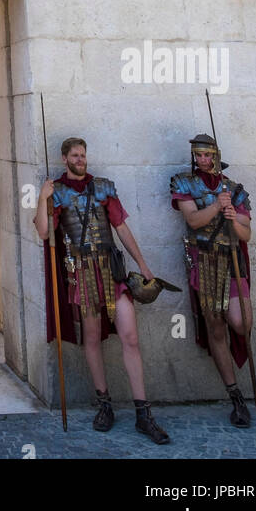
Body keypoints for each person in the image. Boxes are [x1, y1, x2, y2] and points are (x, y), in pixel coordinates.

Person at [34, 136, 170, 445]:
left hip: (111, 271)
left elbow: (121, 228)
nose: (81, 159)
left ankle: (143, 413)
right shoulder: (56, 192)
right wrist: (42, 198)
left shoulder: (105, 187)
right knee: (92, 338)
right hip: (81, 274)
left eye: (83, 154)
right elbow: (43, 231)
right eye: (75, 155)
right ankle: (104, 404)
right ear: (64, 158)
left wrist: (144, 266)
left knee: (130, 338)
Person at [170, 134, 254, 428]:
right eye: (198, 155)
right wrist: (218, 207)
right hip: (204, 262)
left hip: (232, 263)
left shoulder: (234, 189)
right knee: (216, 328)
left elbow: (246, 234)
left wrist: (233, 218)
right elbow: (193, 221)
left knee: (242, 323)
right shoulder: (184, 182)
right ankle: (236, 397)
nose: (202, 160)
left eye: (207, 155)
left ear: (217, 155)